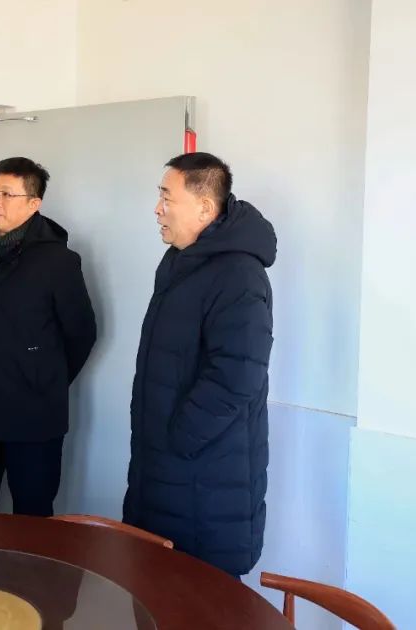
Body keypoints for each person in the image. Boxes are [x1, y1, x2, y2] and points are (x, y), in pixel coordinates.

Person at [123, 152, 275, 577]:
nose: (157, 209)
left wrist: (178, 439)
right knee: (152, 588)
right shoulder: (179, 262)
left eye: (166, 198)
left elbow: (237, 376)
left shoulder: (239, 274)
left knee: (199, 598)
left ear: (205, 208)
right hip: (166, 469)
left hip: (204, 477)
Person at [0, 157, 97, 517]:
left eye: (7, 194)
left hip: (34, 413)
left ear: (33, 203)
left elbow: (81, 333)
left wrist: (42, 375)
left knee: (33, 516)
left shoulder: (58, 260)